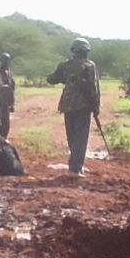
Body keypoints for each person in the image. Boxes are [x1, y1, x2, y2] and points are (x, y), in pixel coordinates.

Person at [46, 39, 101, 177]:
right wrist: (96, 106)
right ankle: (76, 168)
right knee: (80, 138)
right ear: (86, 51)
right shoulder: (89, 66)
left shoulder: (65, 65)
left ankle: (75, 165)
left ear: (73, 50)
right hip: (83, 106)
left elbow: (53, 79)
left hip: (67, 105)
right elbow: (94, 88)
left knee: (72, 137)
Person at [0, 53, 17, 138]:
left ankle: (3, 140)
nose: (6, 62)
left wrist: (12, 103)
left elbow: (12, 88)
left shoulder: (9, 72)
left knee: (6, 123)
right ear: (1, 61)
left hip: (6, 101)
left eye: (7, 60)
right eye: (4, 59)